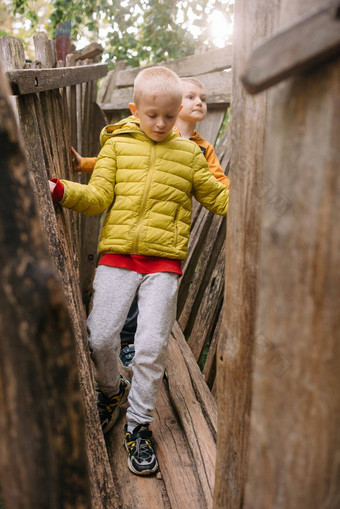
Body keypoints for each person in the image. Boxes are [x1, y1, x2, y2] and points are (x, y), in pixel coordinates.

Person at [50, 66, 229, 476]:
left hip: (163, 263)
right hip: (117, 258)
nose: (162, 124)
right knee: (100, 337)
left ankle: (138, 423)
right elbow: (98, 197)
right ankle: (113, 390)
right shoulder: (118, 146)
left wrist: (255, 196)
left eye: (170, 115)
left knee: (149, 347)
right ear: (135, 109)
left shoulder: (190, 154)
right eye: (153, 115)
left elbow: (220, 199)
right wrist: (61, 189)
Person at [71, 75, 230, 370]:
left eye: (202, 98)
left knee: (147, 307)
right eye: (190, 96)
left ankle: (131, 347)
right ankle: (116, 355)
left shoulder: (200, 150)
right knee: (121, 298)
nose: (197, 102)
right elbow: (125, 158)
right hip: (129, 234)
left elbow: (217, 186)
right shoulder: (140, 133)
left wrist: (240, 197)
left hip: (163, 232)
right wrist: (85, 165)